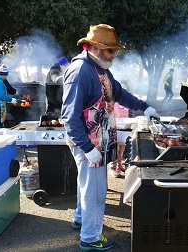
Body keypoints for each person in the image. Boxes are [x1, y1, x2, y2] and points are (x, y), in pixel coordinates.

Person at [61, 24, 159, 251]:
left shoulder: (102, 69)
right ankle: (91, 238)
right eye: (111, 51)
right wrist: (87, 148)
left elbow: (119, 94)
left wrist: (145, 107)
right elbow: (69, 116)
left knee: (86, 182)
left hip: (98, 139)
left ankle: (80, 218)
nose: (114, 55)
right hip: (87, 141)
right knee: (96, 189)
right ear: (95, 47)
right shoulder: (80, 72)